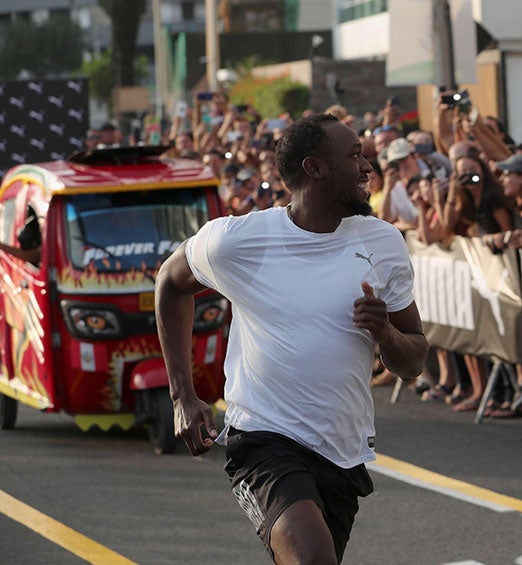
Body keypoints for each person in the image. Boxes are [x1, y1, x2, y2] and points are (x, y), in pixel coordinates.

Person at [155, 114, 428, 563]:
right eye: (354, 155)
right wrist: (182, 395)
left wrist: (385, 332)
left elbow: (413, 361)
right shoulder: (238, 241)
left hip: (342, 452)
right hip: (264, 440)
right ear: (315, 168)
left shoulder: (383, 243)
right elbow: (169, 281)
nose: (367, 168)